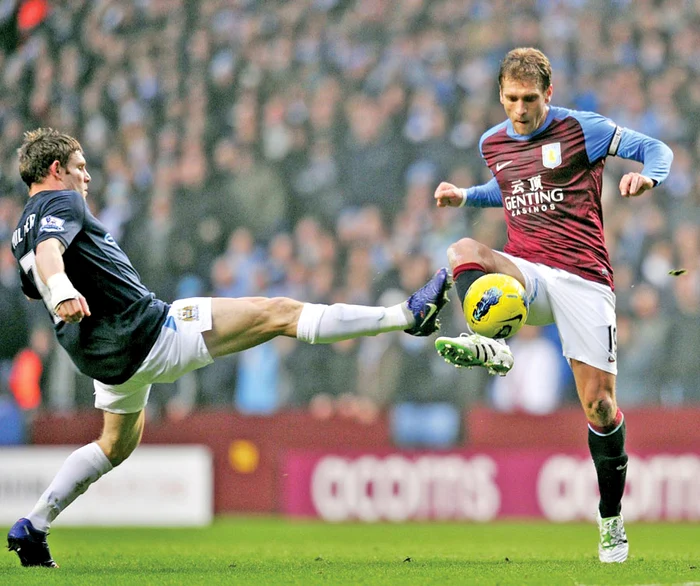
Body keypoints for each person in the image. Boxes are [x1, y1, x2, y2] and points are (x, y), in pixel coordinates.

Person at [7, 128, 453, 568]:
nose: (87, 178)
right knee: (278, 312)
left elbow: (34, 281)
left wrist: (66, 291)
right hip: (147, 331)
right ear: (55, 169)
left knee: (114, 445)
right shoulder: (61, 201)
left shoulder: (16, 234)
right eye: (80, 168)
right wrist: (64, 287)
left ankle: (35, 525)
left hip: (102, 357)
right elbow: (51, 254)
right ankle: (407, 316)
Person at [432, 48, 673, 563]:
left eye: (531, 99)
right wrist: (464, 197)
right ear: (500, 94)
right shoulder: (491, 142)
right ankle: (489, 343)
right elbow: (511, 189)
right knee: (462, 252)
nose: (521, 109)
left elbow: (656, 149)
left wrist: (647, 177)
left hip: (585, 281)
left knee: (601, 409)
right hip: (531, 274)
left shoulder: (581, 129)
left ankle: (610, 520)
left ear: (550, 93)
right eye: (512, 99)